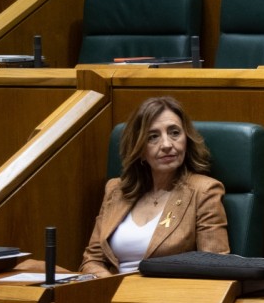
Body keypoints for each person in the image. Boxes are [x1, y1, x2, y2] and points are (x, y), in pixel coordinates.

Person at [81, 97, 229, 277]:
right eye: (153, 137)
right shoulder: (116, 190)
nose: (167, 145)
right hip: (113, 294)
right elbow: (92, 259)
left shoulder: (204, 191)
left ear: (186, 139)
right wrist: (111, 285)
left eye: (174, 133)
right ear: (139, 149)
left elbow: (213, 268)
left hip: (168, 297)